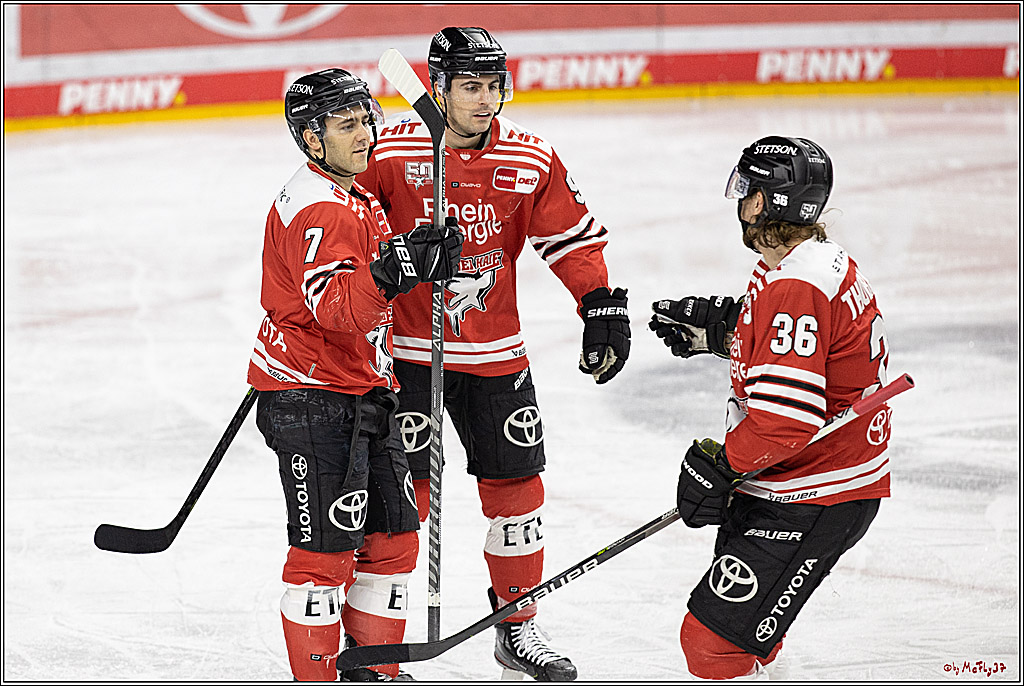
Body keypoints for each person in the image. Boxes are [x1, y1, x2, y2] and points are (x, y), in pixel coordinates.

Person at [357, 26, 631, 681]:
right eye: (470, 87)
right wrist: (399, 257)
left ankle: (518, 630)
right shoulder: (391, 152)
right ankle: (377, 652)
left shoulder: (530, 157)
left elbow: (570, 237)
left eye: (493, 85)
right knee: (402, 502)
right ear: (440, 89)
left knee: (518, 495)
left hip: (496, 355)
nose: (486, 101)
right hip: (405, 357)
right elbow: (350, 229)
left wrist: (599, 306)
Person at [649, 136, 892, 680]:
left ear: (764, 202)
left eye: (747, 190)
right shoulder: (801, 264)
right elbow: (808, 355)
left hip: (813, 492)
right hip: (799, 481)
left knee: (714, 646)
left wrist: (721, 464)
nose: (740, 201)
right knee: (741, 641)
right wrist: (723, 332)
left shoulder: (796, 285)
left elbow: (784, 423)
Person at [248, 68, 463, 682]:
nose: (366, 133)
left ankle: (375, 671)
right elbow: (335, 308)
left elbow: (366, 285)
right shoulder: (321, 206)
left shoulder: (353, 194)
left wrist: (417, 258)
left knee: (393, 541)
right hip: (311, 399)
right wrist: (394, 272)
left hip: (361, 390)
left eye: (367, 119)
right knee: (325, 557)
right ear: (312, 139)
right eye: (348, 125)